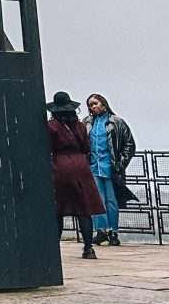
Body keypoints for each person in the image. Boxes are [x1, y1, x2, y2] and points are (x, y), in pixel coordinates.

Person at [47, 90, 104, 260]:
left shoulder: (51, 126)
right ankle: (88, 248)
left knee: (58, 209)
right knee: (84, 209)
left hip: (60, 165)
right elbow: (87, 147)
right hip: (81, 166)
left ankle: (54, 249)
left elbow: (48, 147)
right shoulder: (79, 126)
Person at [84, 93, 136, 245]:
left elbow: (129, 145)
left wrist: (120, 164)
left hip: (111, 167)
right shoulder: (87, 123)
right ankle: (101, 231)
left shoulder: (117, 122)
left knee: (111, 200)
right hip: (93, 166)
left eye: (95, 103)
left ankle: (113, 231)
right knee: (97, 200)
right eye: (90, 105)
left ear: (103, 104)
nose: (93, 107)